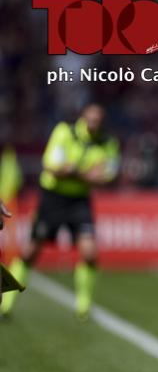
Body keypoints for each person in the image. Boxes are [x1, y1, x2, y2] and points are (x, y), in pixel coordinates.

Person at [1, 104, 119, 320]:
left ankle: (83, 305)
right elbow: (52, 167)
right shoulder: (64, 132)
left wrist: (73, 170)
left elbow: (108, 175)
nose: (94, 124)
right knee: (29, 253)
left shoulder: (108, 142)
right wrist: (85, 173)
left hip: (79, 200)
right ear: (83, 118)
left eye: (98, 121)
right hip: (53, 198)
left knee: (90, 253)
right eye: (91, 119)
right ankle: (7, 303)